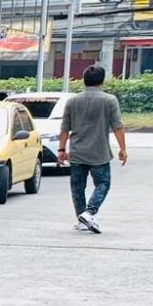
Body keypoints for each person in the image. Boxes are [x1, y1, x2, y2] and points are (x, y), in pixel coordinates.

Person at [57, 65, 128, 233]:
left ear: (84, 81)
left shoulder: (72, 101)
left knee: (77, 188)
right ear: (102, 81)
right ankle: (89, 212)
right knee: (103, 183)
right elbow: (118, 126)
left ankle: (82, 219)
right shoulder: (109, 100)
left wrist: (61, 150)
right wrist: (122, 149)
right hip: (99, 152)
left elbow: (64, 128)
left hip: (77, 152)